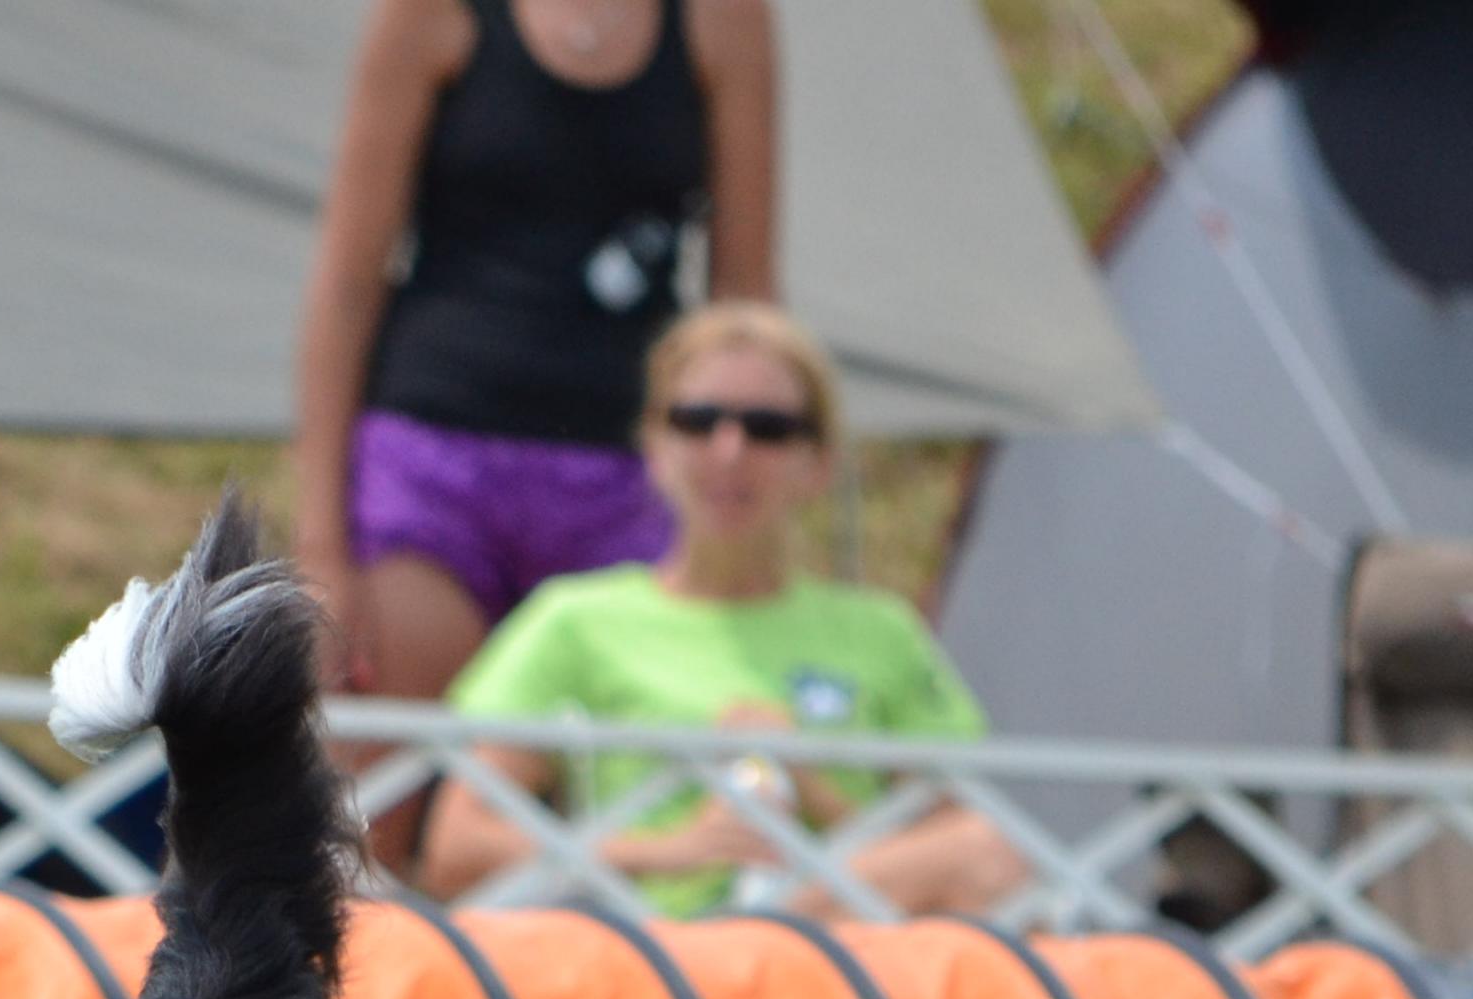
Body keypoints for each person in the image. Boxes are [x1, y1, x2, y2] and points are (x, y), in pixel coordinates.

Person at [418, 302, 1018, 919]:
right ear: (655, 446)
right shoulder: (573, 619)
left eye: (767, 428)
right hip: (657, 946)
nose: (729, 450)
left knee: (987, 856)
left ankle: (765, 927)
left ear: (818, 463)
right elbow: (456, 848)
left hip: (834, 942)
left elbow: (965, 849)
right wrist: (669, 850)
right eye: (697, 421)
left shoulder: (882, 631)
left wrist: (811, 789)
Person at [290, 0, 778, 706]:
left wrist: (757, 536)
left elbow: (745, 299)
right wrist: (321, 554)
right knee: (387, 758)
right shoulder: (426, 13)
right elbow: (346, 286)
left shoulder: (725, 17)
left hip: (632, 480)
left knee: (641, 763)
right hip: (435, 467)